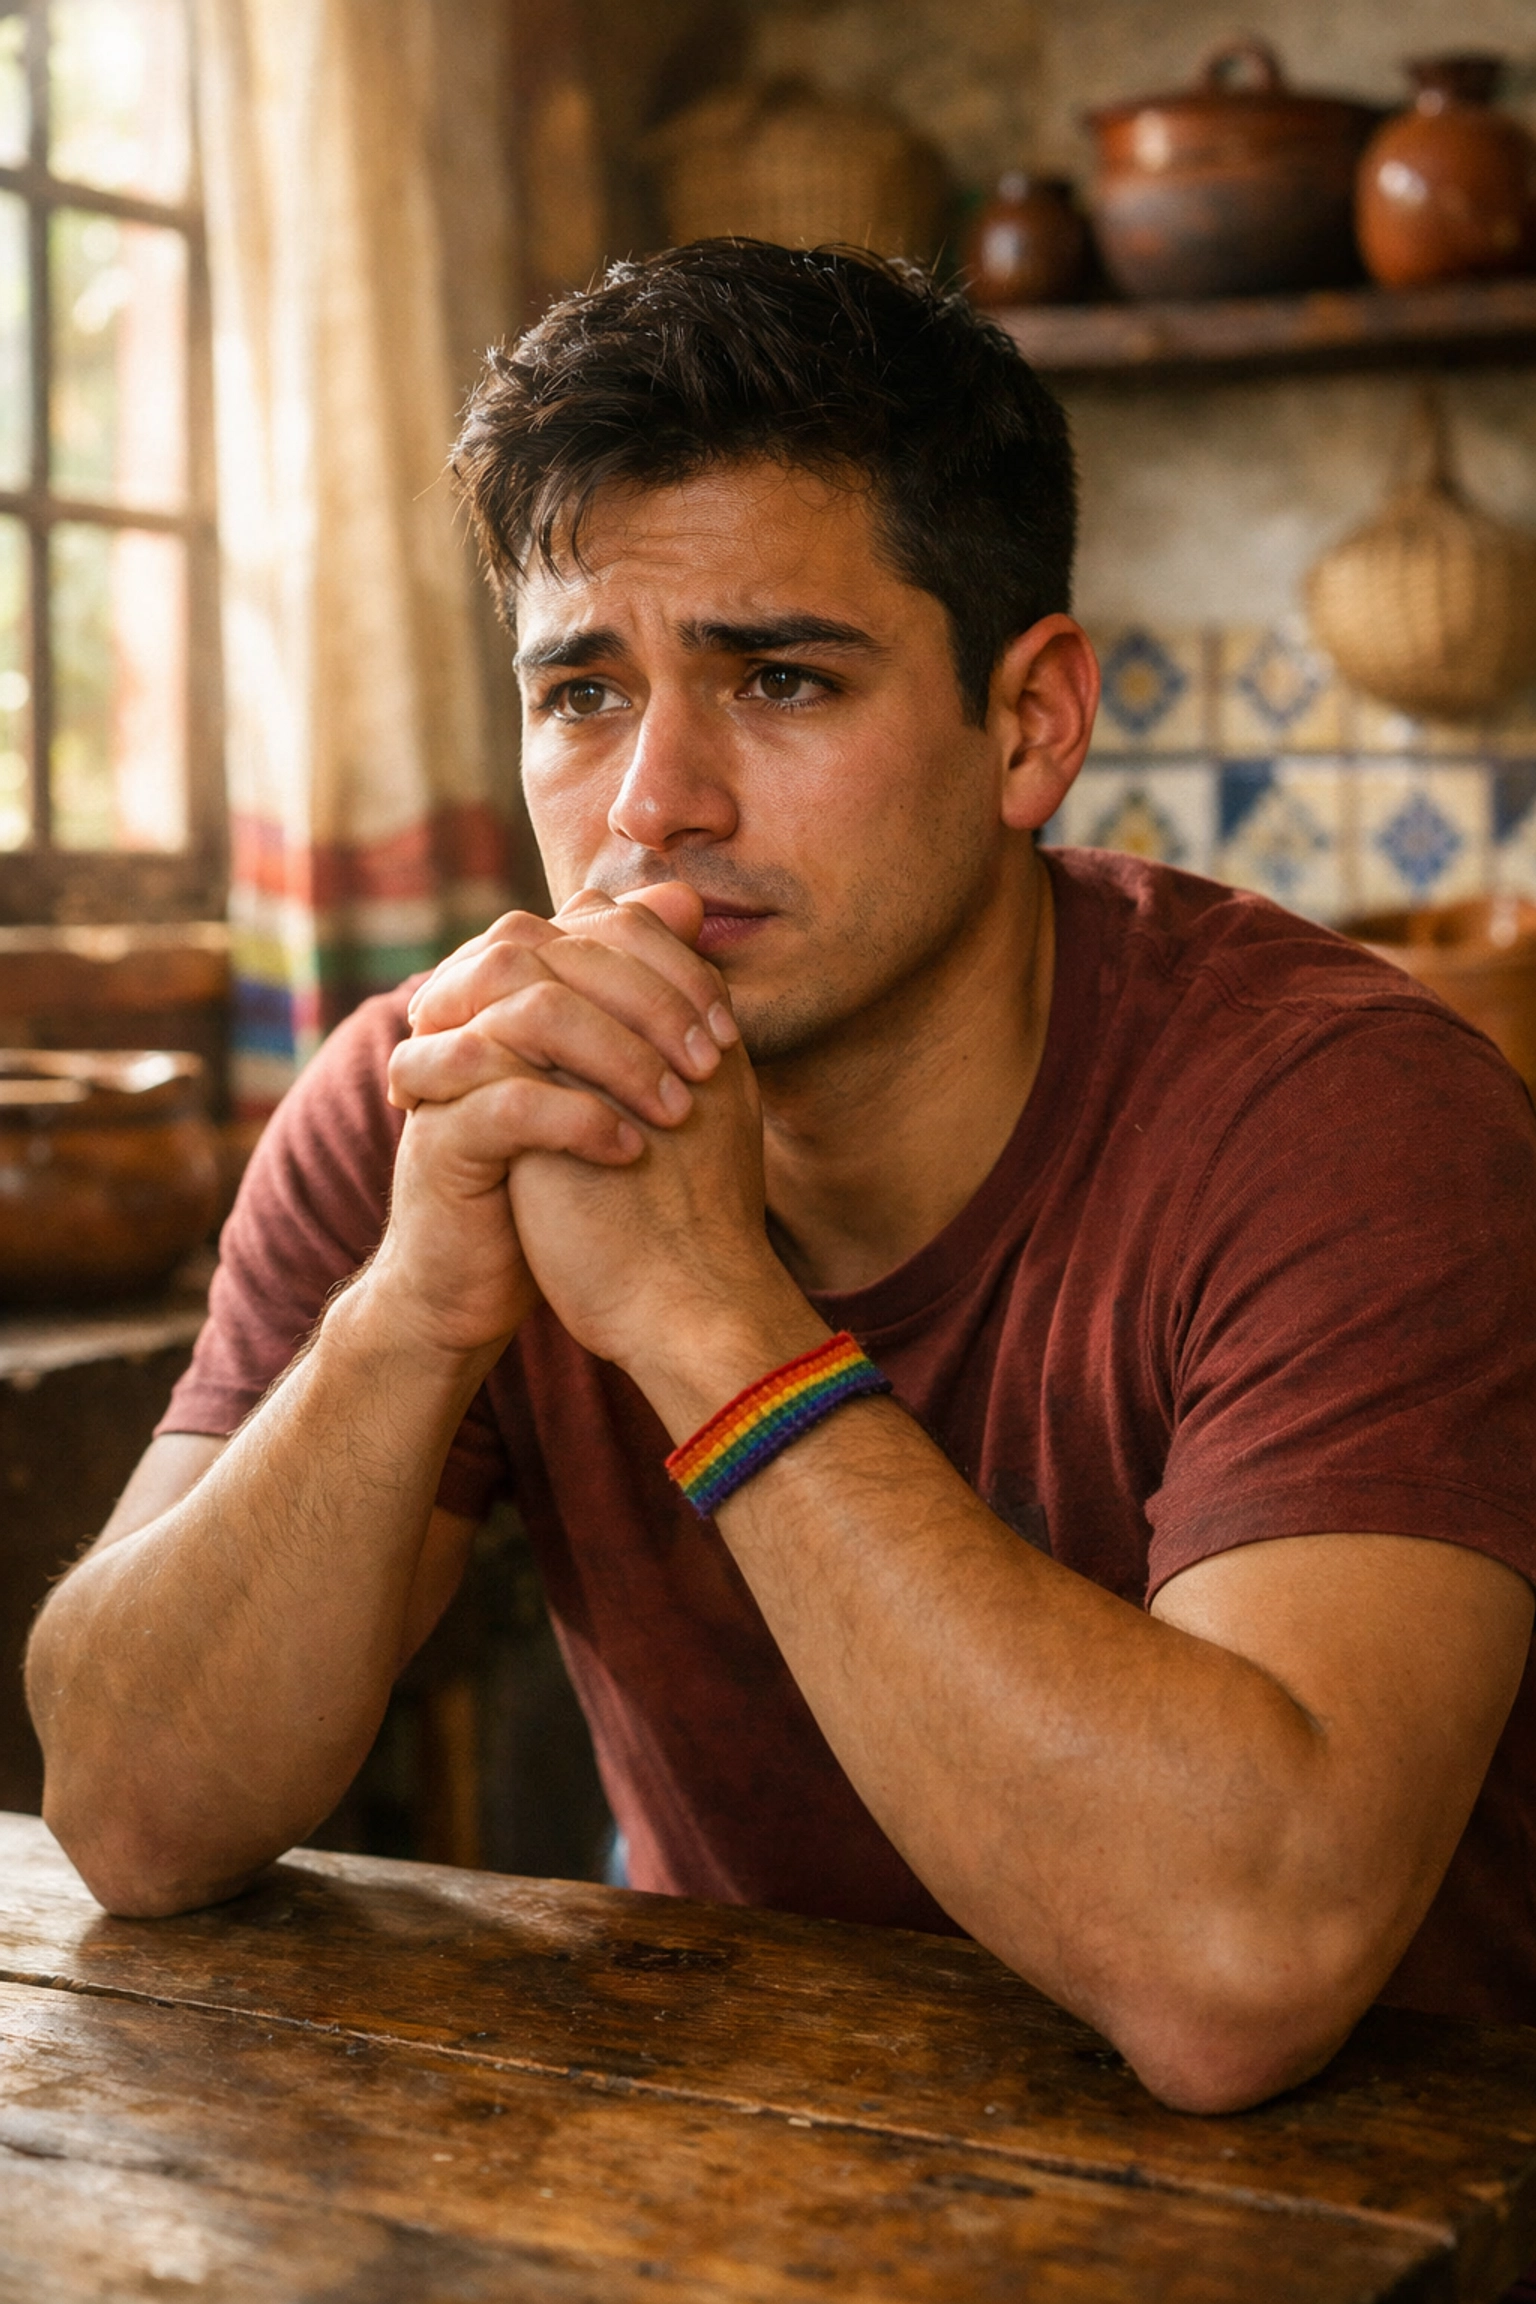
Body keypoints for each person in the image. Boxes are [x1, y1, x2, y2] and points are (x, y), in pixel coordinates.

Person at [26, 243, 1536, 2130]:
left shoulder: (1351, 1118)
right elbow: (129, 1815)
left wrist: (702, 1313)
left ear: (1030, 726)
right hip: (752, 2176)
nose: (654, 802)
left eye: (782, 678)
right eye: (584, 691)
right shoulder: (443, 1096)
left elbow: (1241, 1970)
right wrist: (409, 1315)